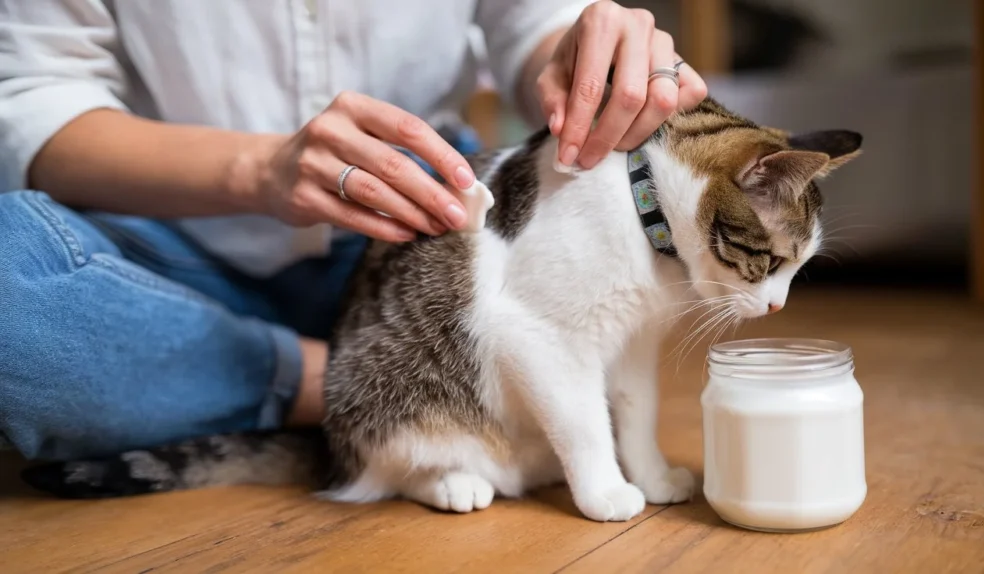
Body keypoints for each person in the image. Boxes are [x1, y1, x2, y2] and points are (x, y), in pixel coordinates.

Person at [0, 0, 707, 461]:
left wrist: (582, 65)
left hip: (420, 265)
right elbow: (34, 100)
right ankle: (359, 392)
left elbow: (532, 30)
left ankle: (216, 390)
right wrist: (260, 170)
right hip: (163, 263)